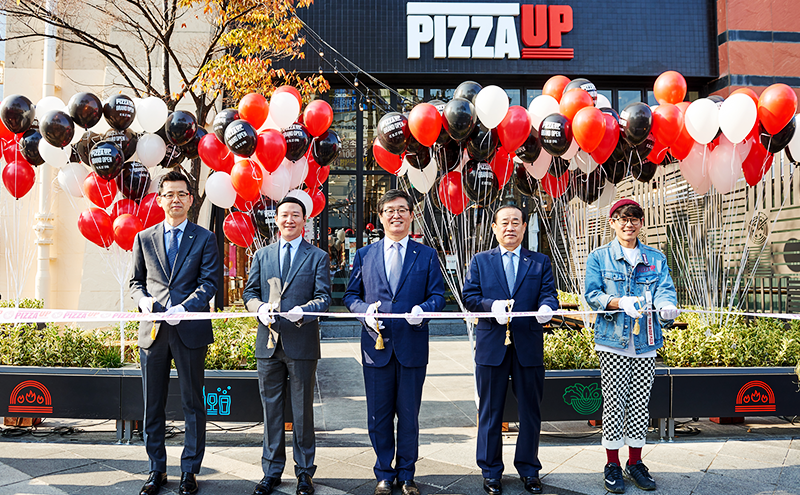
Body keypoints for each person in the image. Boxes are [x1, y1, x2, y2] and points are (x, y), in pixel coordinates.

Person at [343, 189, 445, 495]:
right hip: (377, 347)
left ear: (411, 215)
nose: (396, 215)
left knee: (409, 417)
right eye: (389, 210)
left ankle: (407, 474)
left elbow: (438, 296)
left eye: (402, 209)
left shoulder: (426, 255)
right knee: (379, 416)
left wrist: (423, 310)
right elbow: (351, 296)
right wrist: (364, 312)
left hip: (412, 346)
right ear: (380, 217)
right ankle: (384, 473)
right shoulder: (365, 254)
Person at [130, 170, 219, 495]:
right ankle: (156, 469)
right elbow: (135, 282)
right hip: (153, 332)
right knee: (152, 404)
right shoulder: (144, 237)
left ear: (190, 199)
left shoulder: (205, 238)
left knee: (193, 403)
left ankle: (189, 471)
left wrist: (186, 307)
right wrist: (142, 301)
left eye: (181, 194)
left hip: (189, 329)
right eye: (169, 194)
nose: (175, 200)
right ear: (160, 200)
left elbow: (209, 283)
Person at [462, 204, 558, 495]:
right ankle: (491, 471)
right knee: (491, 412)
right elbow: (470, 297)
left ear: (524, 227)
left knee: (530, 411)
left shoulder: (539, 261)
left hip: (528, 345)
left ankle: (529, 470)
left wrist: (546, 308)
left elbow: (549, 294)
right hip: (492, 346)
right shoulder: (481, 261)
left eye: (516, 222)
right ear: (494, 228)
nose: (510, 227)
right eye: (504, 222)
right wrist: (491, 306)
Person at [584, 199, 678, 494]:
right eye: (622, 219)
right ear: (612, 222)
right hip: (613, 342)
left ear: (641, 223)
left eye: (634, 219)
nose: (629, 224)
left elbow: (665, 289)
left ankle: (635, 462)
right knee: (614, 402)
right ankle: (612, 464)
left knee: (639, 402)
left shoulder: (656, 258)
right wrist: (617, 302)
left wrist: (667, 307)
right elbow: (592, 294)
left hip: (646, 343)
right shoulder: (599, 257)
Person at [242, 197, 332, 495]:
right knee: (271, 411)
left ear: (304, 220)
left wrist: (304, 311)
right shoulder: (262, 255)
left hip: (301, 341)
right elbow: (250, 293)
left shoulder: (317, 256)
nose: (289, 220)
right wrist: (258, 308)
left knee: (303, 411)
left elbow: (324, 298)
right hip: (268, 343)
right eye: (284, 215)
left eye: (295, 215)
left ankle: (305, 472)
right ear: (276, 219)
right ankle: (271, 471)